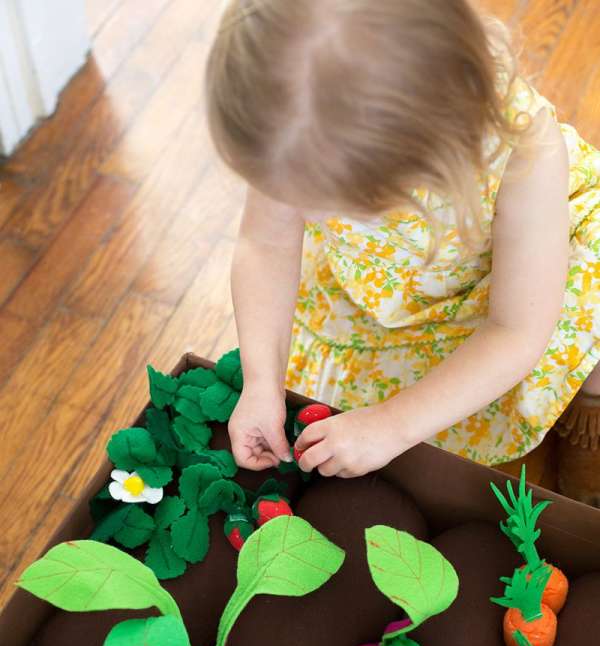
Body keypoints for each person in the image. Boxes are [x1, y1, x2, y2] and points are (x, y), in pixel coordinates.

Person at [205, 0, 600, 504]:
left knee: (591, 302)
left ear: (433, 161)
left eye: (340, 206)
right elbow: (264, 243)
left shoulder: (525, 151)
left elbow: (517, 331)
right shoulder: (292, 121)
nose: (312, 218)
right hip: (390, 296)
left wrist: (392, 425)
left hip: (521, 290)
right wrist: (261, 381)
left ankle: (590, 402)